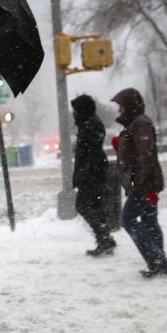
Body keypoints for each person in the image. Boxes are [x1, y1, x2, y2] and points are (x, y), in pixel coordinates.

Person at [111, 88, 167, 278]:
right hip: (145, 184)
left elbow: (146, 155)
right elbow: (138, 151)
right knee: (150, 222)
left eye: (121, 106)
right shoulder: (136, 124)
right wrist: (120, 145)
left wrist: (141, 184)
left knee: (127, 219)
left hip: (143, 185)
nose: (119, 110)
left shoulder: (140, 124)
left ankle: (156, 260)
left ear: (129, 106)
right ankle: (160, 262)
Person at [71, 94, 116, 257]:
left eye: (75, 110)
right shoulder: (88, 123)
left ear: (82, 109)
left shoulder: (90, 125)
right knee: (95, 206)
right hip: (92, 173)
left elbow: (91, 154)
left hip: (91, 175)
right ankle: (106, 238)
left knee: (82, 205)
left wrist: (83, 175)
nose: (73, 113)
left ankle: (104, 237)